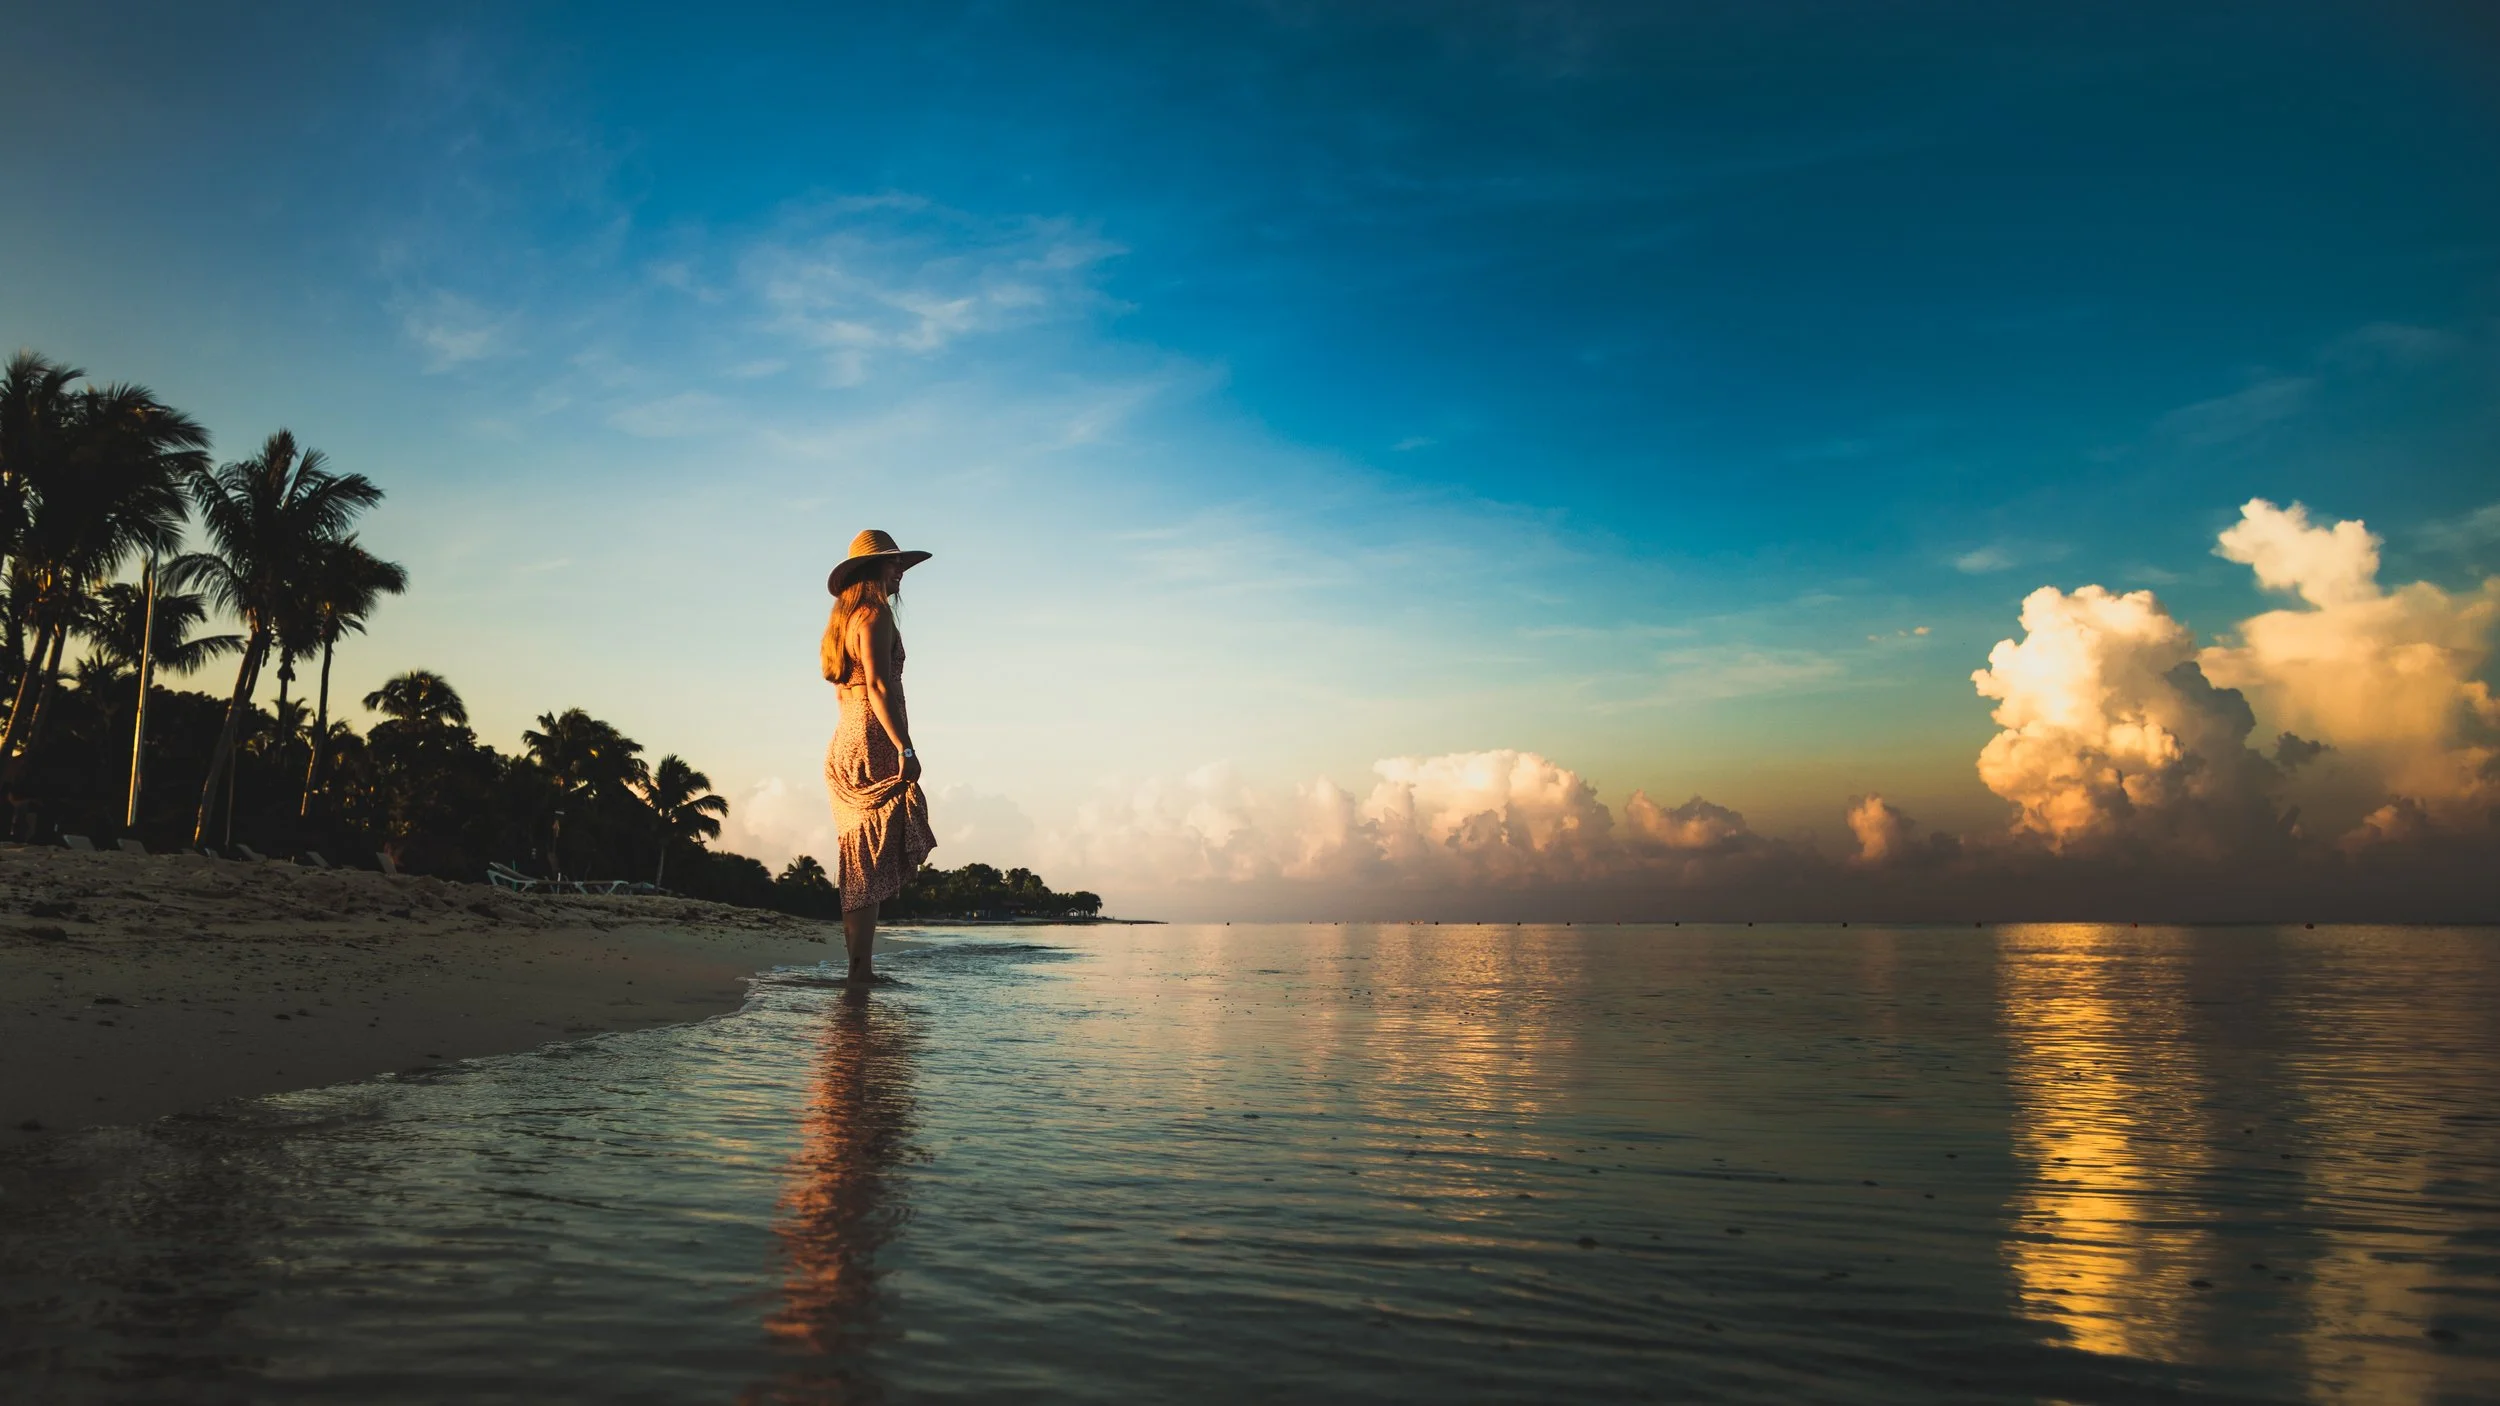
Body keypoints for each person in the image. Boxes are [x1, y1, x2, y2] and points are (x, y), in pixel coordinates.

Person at [821, 529, 937, 983]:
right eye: (893, 564)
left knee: (859, 856)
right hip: (872, 739)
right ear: (872, 570)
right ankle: (860, 971)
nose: (900, 571)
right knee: (867, 859)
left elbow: (845, 694)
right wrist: (904, 746)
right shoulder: (874, 615)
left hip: (846, 741)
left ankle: (859, 968)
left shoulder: (844, 622)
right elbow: (880, 686)